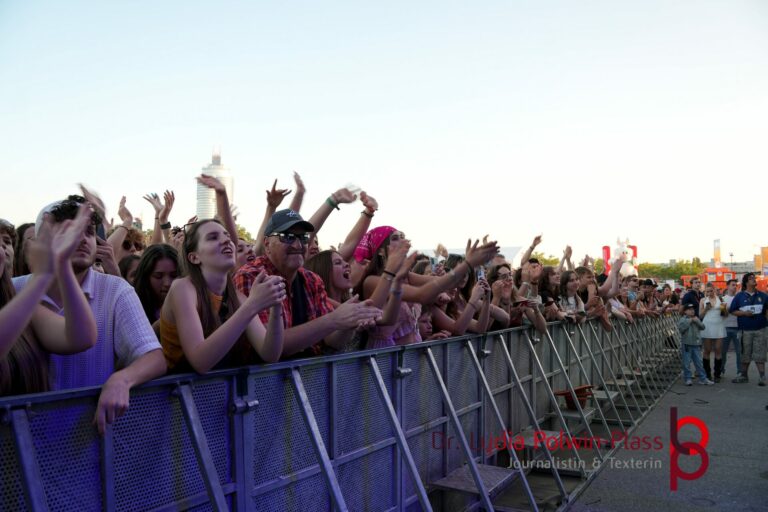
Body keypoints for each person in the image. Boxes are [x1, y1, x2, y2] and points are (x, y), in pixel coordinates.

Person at [13, 196, 167, 434]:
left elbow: (154, 358)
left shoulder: (117, 291)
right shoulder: (14, 291)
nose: (83, 239)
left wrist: (123, 379)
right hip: (21, 443)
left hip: (91, 441)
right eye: (70, 231)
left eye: (88, 232)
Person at [234, 209, 383, 358]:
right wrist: (332, 319)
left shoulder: (312, 279)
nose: (298, 245)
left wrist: (349, 322)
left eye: (303, 237)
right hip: (262, 379)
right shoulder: (252, 277)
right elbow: (271, 347)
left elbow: (331, 341)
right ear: (267, 244)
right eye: (288, 237)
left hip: (307, 376)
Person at [160, 220, 285, 372]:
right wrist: (252, 306)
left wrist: (276, 306)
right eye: (213, 237)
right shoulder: (182, 288)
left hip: (217, 392)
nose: (227, 240)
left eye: (227, 236)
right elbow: (200, 362)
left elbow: (269, 354)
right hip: (175, 393)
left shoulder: (237, 297)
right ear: (194, 257)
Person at [1, 204, 98, 395]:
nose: (2, 248)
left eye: (5, 242)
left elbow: (81, 338)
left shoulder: (15, 303)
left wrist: (62, 265)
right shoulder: (22, 303)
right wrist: (42, 278)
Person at [729, 273, 768, 385]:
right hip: (744, 330)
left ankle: (762, 377)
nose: (754, 280)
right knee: (745, 353)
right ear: (746, 282)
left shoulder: (763, 295)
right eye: (751, 278)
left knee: (760, 353)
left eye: (754, 278)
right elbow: (732, 311)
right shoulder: (739, 296)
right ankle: (743, 376)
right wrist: (744, 313)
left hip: (760, 329)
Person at [133, 244, 180, 324]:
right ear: (145, 277)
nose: (167, 283)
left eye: (174, 275)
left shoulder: (195, 304)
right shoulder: (134, 306)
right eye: (158, 276)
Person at [678, 304, 714, 386]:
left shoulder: (696, 318)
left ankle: (703, 379)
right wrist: (689, 321)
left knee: (699, 362)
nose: (692, 311)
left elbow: (703, 327)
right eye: (689, 309)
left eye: (693, 309)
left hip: (696, 344)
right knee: (686, 363)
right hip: (686, 344)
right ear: (685, 311)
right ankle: (688, 378)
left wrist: (697, 321)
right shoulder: (683, 319)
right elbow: (681, 329)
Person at [698, 283, 725, 381]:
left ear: (714, 290)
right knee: (707, 350)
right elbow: (700, 316)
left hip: (719, 325)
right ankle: (707, 373)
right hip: (707, 326)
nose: (709, 293)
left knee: (718, 349)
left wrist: (724, 309)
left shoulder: (721, 299)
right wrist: (706, 309)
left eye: (711, 291)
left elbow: (724, 315)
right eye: (707, 291)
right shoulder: (703, 300)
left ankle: (717, 374)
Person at [721, 279, 741, 377]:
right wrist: (730, 309)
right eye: (733, 285)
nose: (734, 287)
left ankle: (740, 372)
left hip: (738, 327)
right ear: (727, 286)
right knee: (723, 351)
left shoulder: (740, 298)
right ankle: (721, 371)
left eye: (736, 285)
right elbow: (722, 314)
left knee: (739, 352)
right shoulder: (723, 299)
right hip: (726, 327)